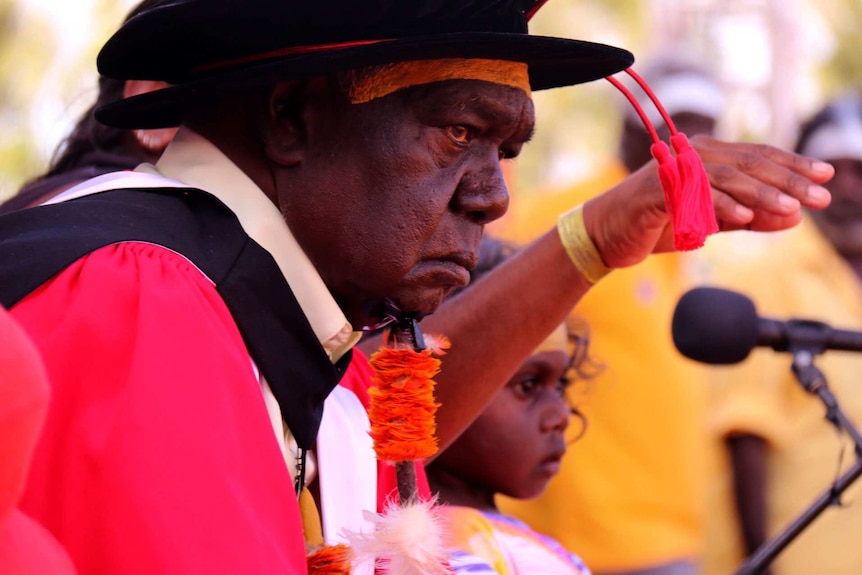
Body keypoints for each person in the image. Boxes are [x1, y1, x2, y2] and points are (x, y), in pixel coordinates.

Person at [0, 1, 834, 573]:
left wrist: (598, 236)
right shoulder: (143, 296)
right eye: (460, 132)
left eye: (503, 151)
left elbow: (382, 432)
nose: (494, 194)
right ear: (293, 118)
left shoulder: (235, 292)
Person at [493, 50, 726, 575]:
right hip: (578, 539)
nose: (685, 144)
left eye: (701, 130)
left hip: (676, 532)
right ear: (632, 123)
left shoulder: (698, 223)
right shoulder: (566, 211)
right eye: (673, 124)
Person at [701, 92, 862, 575]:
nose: (852, 189)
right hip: (794, 560)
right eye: (835, 174)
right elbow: (745, 433)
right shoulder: (767, 273)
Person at [426, 235, 598, 575]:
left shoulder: (503, 542)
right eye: (528, 385)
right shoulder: (440, 555)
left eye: (561, 385)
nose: (560, 415)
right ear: (443, 383)